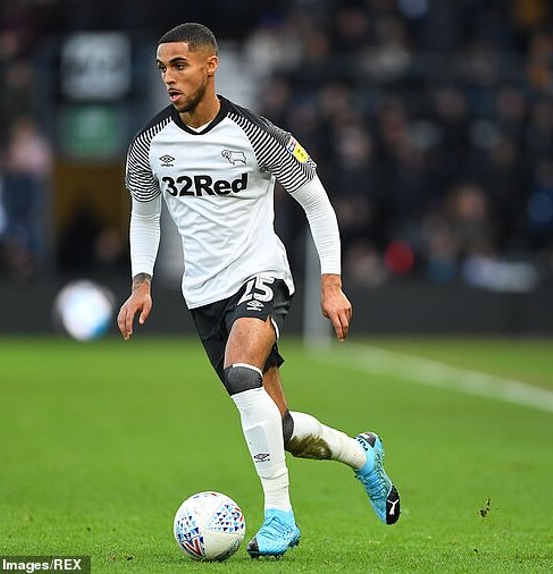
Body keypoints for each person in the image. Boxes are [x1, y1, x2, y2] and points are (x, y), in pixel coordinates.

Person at [117, 22, 400, 559]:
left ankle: (279, 517)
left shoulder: (256, 134)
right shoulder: (149, 144)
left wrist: (332, 285)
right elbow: (145, 214)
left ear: (211, 66)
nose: (169, 78)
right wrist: (141, 283)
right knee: (279, 425)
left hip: (260, 274)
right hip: (203, 295)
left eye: (179, 65)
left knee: (241, 372)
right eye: (162, 68)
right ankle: (364, 457)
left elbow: (317, 203)